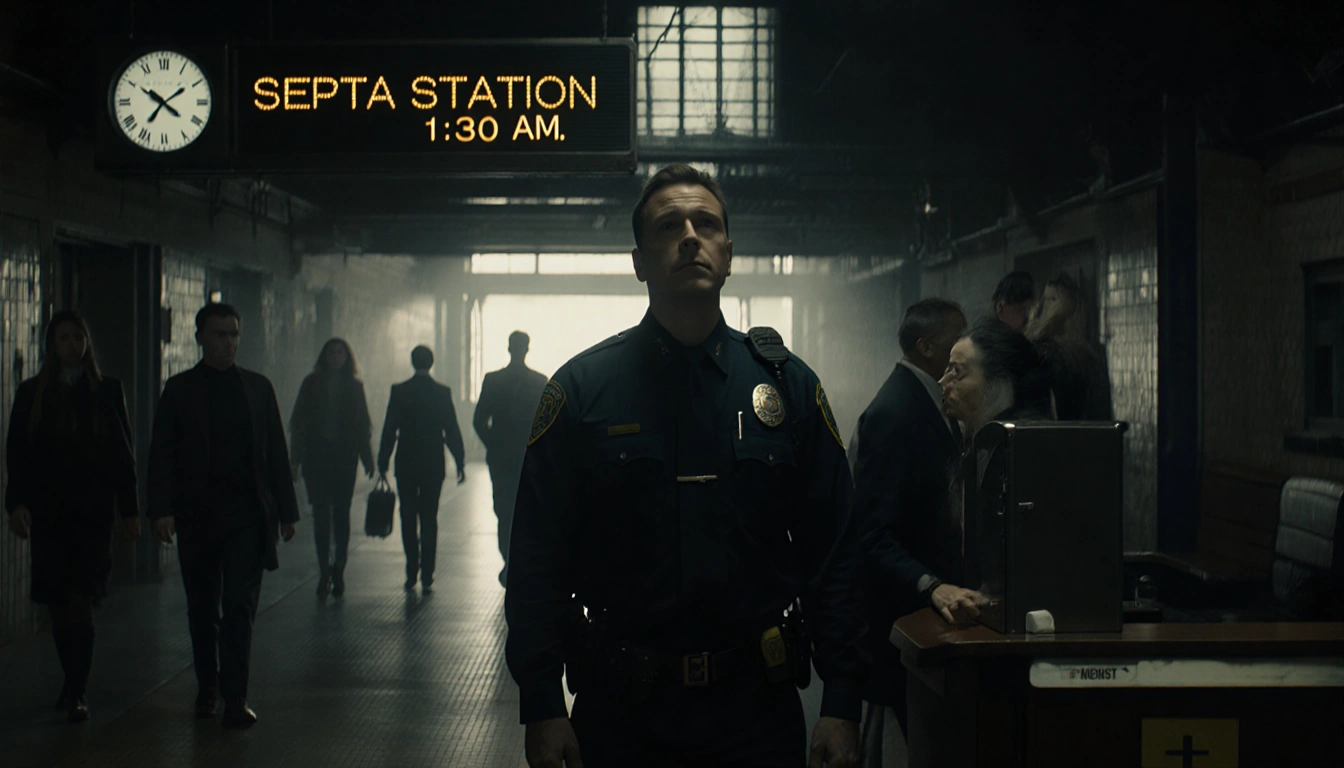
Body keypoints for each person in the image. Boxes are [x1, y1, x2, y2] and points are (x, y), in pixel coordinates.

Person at [505, 164, 865, 768]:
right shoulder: (582, 391)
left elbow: (836, 552)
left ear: (728, 255)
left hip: (757, 710)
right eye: (669, 225)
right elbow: (537, 558)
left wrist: (843, 700)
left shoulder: (789, 389)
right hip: (622, 713)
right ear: (640, 260)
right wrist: (541, 704)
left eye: (707, 224)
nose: (690, 236)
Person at [147, 302, 299, 728]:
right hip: (197, 516)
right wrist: (161, 510)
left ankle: (235, 696)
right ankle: (208, 689)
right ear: (199, 337)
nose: (228, 343)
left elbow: (275, 455)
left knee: (239, 607)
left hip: (247, 517)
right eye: (219, 335)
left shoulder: (256, 388)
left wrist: (286, 512)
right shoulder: (179, 390)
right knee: (202, 608)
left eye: (234, 335)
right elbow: (163, 453)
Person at [4, 311, 140, 722]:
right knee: (59, 604)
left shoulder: (106, 391)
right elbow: (18, 455)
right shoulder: (32, 394)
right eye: (62, 338)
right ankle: (71, 680)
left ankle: (77, 688)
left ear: (87, 342)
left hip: (93, 515)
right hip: (49, 514)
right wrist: (17, 505)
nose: (70, 346)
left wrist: (130, 509)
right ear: (52, 345)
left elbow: (123, 455)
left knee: (82, 600)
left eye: (77, 337)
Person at [851, 298, 966, 766]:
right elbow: (871, 534)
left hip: (930, 624)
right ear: (927, 346)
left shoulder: (929, 402)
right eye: (955, 338)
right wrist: (929, 584)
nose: (964, 347)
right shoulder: (893, 412)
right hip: (902, 623)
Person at [939, 317, 1055, 611]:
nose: (943, 381)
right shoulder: (982, 441)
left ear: (998, 384)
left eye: (957, 372)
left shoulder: (1024, 445)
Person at [289, 338, 375, 598]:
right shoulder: (311, 384)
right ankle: (325, 570)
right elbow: (299, 425)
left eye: (340, 353)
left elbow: (362, 426)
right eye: (332, 352)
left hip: (343, 460)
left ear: (347, 358)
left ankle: (338, 566)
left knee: (340, 514)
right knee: (322, 515)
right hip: (317, 460)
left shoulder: (354, 387)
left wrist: (367, 457)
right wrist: (295, 460)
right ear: (324, 356)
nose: (336, 357)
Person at [377, 345, 466, 593]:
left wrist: (383, 461)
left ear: (412, 362)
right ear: (432, 362)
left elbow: (389, 429)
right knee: (429, 516)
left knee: (407, 515)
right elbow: (451, 429)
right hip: (433, 462)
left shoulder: (400, 391)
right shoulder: (441, 393)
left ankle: (411, 569)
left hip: (406, 461)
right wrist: (459, 461)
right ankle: (428, 572)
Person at [473, 330, 548, 588]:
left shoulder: (493, 381)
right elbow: (546, 423)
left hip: (501, 459)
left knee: (504, 511)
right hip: (529, 459)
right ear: (527, 349)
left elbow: (479, 420)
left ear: (508, 348)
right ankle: (520, 561)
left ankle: (508, 559)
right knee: (527, 511)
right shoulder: (540, 382)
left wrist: (493, 444)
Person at [1024, 272, 1113, 420]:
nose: (1044, 305)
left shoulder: (1087, 353)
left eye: (1053, 299)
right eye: (1045, 299)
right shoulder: (1041, 346)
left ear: (1070, 307)